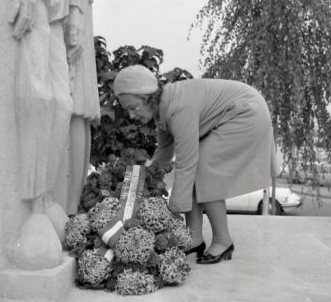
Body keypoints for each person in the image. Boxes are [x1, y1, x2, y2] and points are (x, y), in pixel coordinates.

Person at [113, 65, 278, 264]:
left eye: (133, 108)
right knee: (196, 168)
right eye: (127, 110)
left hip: (248, 114)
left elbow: (186, 163)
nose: (131, 116)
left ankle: (223, 241)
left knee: (202, 168)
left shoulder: (179, 108)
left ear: (148, 97)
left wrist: (174, 209)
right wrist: (146, 181)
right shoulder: (163, 109)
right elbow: (164, 151)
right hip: (237, 112)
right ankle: (194, 238)